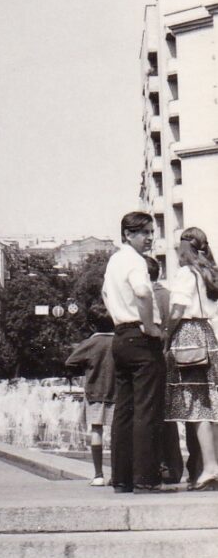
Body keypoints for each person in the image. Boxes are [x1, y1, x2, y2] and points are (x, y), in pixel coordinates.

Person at [102, 211, 165, 493]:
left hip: (121, 336)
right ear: (128, 234)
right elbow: (142, 292)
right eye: (144, 232)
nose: (150, 238)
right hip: (141, 337)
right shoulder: (136, 261)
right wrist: (149, 327)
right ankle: (145, 478)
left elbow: (105, 294)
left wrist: (120, 316)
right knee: (147, 408)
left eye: (151, 232)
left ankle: (122, 478)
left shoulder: (114, 261)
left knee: (124, 410)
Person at [163, 227, 218, 490]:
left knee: (196, 407)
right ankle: (210, 465)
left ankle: (209, 468)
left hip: (188, 338)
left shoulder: (186, 274)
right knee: (209, 403)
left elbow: (177, 311)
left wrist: (165, 336)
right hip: (207, 336)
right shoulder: (210, 273)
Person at [145, 256, 202, 485]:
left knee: (162, 412)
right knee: (193, 408)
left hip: (160, 356)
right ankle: (192, 468)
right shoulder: (168, 294)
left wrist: (165, 336)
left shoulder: (148, 296)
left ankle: (165, 465)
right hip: (186, 352)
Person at [65, 307, 115, 486]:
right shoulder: (118, 341)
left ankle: (98, 475)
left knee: (96, 430)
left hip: (94, 392)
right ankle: (116, 474)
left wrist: (86, 368)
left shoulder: (90, 343)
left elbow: (70, 361)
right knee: (117, 433)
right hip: (117, 392)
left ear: (92, 325)